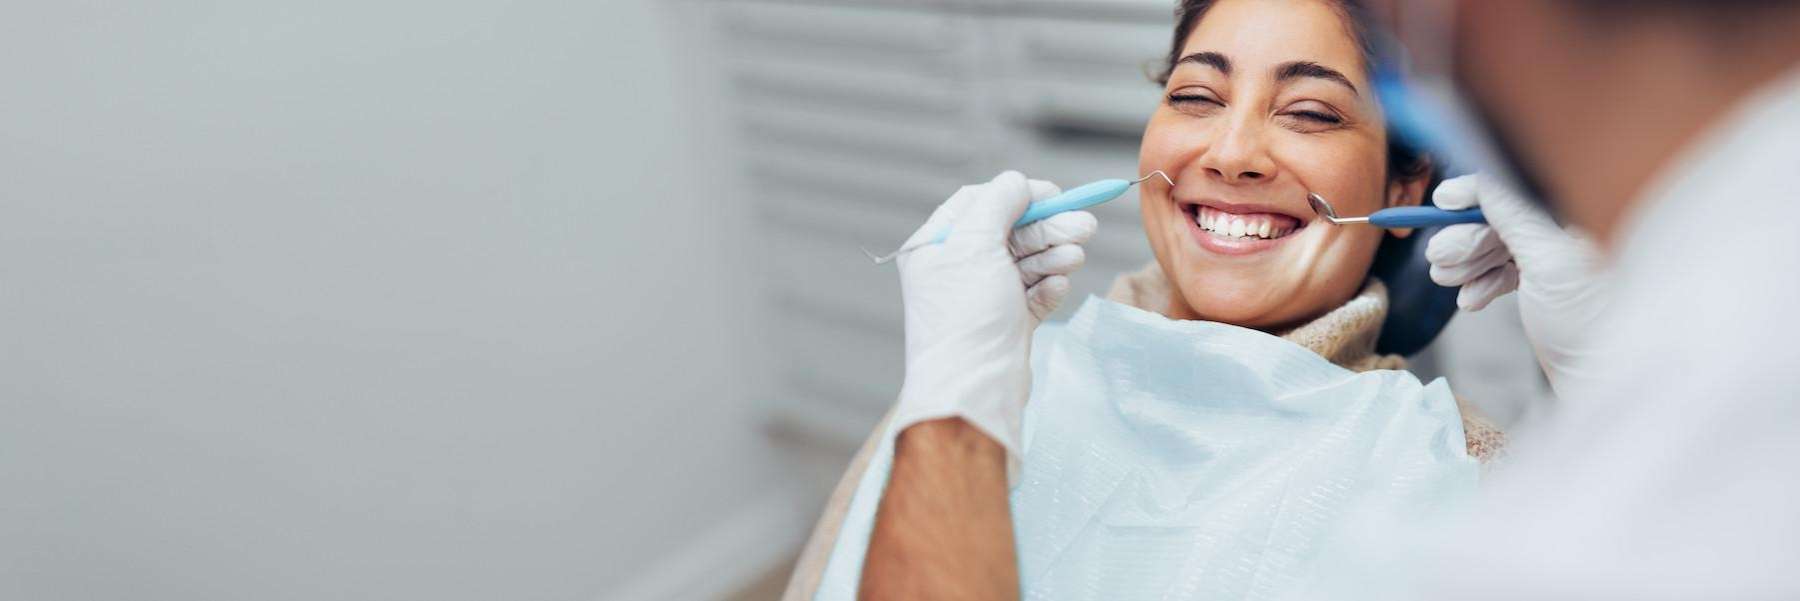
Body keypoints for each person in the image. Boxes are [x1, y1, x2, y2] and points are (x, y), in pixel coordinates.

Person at [782, 1, 1508, 598]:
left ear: (1404, 186)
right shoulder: (975, 384)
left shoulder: (1466, 469)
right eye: (1194, 96)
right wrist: (954, 394)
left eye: (1310, 112)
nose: (1229, 153)